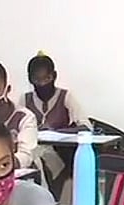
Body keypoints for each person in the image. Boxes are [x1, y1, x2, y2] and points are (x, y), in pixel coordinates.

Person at [21, 51, 92, 197]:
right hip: (34, 148)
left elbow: (86, 126)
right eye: (37, 79)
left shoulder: (65, 96)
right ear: (30, 79)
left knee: (44, 161)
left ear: (54, 76)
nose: (42, 84)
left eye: (46, 78)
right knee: (31, 160)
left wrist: (58, 131)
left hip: (60, 152)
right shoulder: (25, 100)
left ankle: (47, 197)